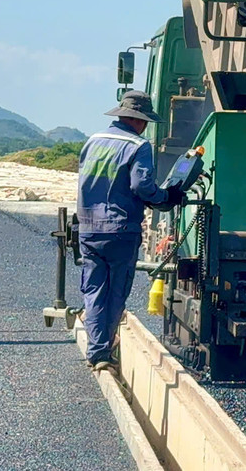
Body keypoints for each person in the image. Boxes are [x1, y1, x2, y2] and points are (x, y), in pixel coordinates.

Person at [74, 91, 183, 371]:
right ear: (141, 121)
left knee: (94, 289)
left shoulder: (92, 142)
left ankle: (96, 350)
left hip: (88, 228)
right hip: (120, 230)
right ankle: (102, 352)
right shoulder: (138, 146)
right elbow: (141, 187)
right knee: (116, 292)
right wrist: (166, 196)